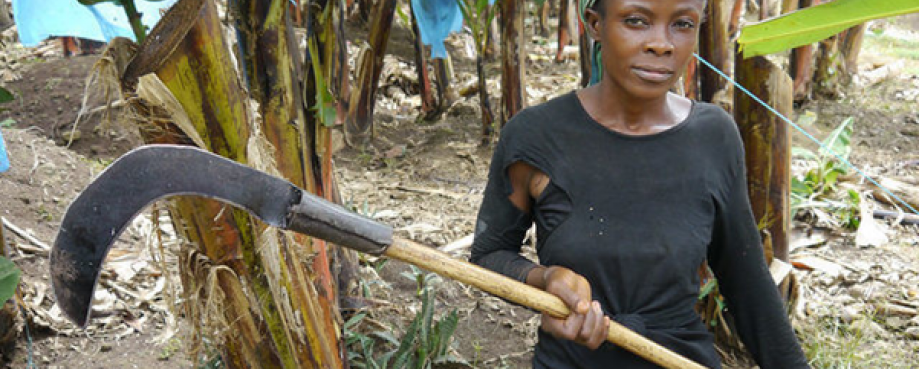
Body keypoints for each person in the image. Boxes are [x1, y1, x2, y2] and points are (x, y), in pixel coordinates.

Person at [469, 0, 810, 367]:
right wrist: (545, 278)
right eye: (636, 21)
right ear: (595, 25)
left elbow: (748, 286)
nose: (661, 44)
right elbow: (489, 256)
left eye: (682, 24)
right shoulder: (535, 137)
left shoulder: (714, 137)